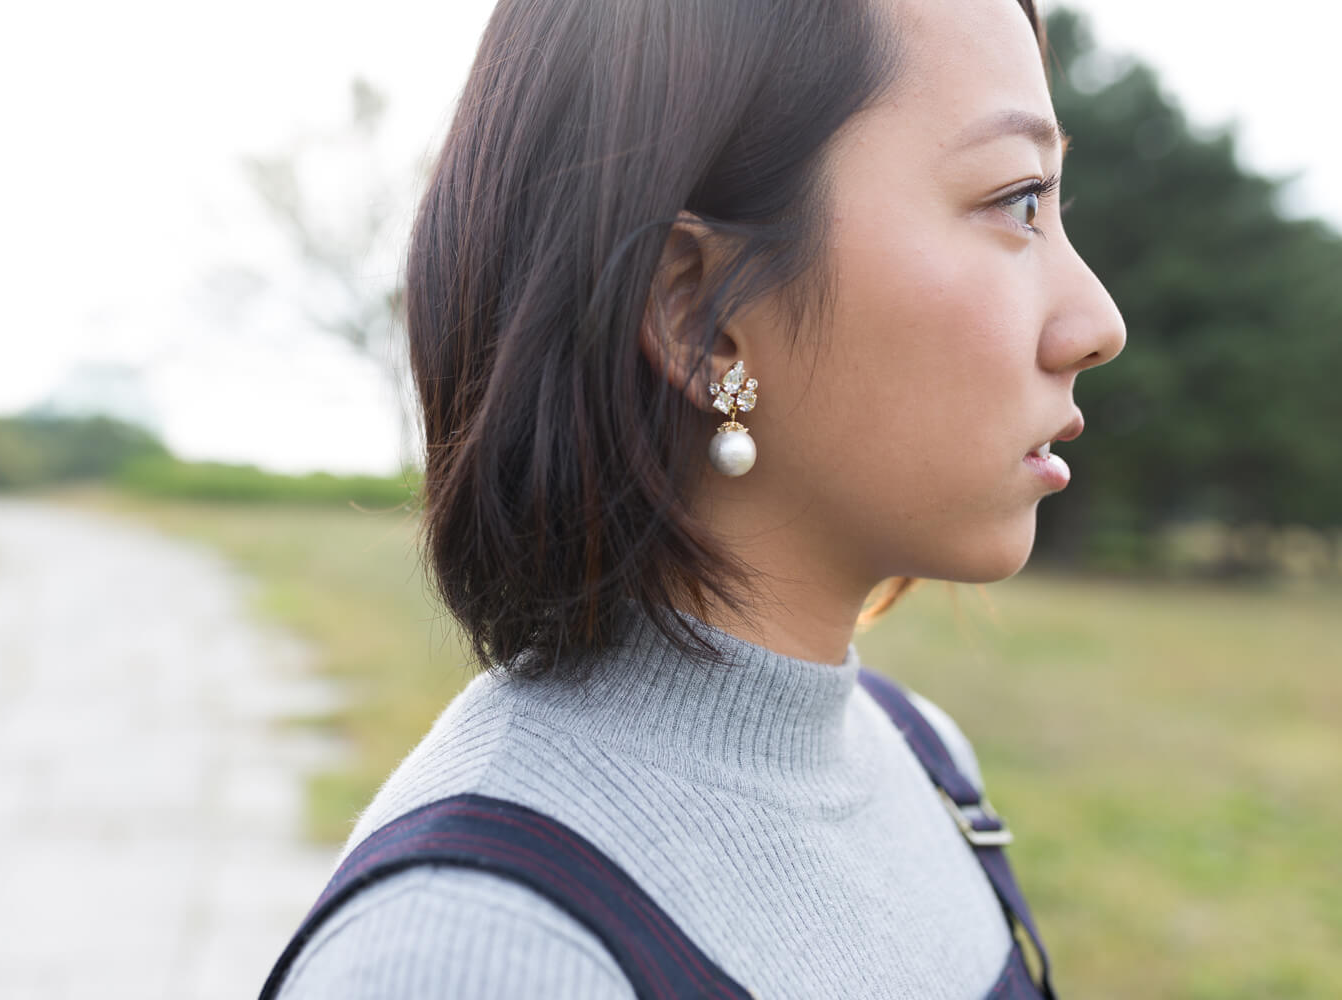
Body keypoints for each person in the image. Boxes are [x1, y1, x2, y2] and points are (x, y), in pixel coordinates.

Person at [266, 0, 1125, 995]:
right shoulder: (473, 954)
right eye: (1017, 200)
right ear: (698, 314)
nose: (1096, 321)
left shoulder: (926, 758)